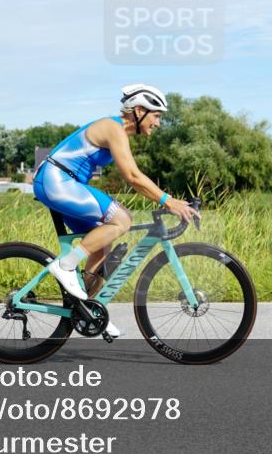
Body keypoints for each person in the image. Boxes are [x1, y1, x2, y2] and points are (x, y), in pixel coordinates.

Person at [32, 84, 200, 338]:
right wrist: (169, 201)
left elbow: (133, 177)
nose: (158, 123)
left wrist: (165, 199)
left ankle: (87, 311)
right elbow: (132, 176)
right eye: (156, 115)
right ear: (140, 111)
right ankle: (64, 266)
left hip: (66, 183)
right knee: (121, 219)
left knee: (102, 243)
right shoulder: (113, 128)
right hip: (57, 180)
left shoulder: (119, 133)